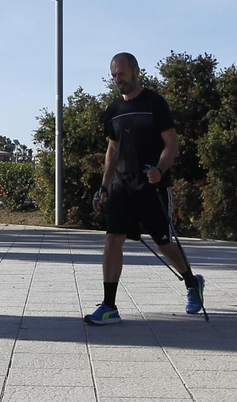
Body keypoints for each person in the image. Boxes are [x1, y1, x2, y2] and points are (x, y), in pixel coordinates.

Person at [86, 52, 204, 324]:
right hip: (122, 187)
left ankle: (191, 282)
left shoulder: (154, 103)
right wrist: (103, 187)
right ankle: (109, 306)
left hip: (153, 188)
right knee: (112, 239)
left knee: (163, 242)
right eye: (114, 76)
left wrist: (159, 171)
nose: (118, 80)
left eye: (122, 74)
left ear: (136, 71)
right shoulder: (113, 110)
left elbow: (171, 143)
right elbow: (112, 149)